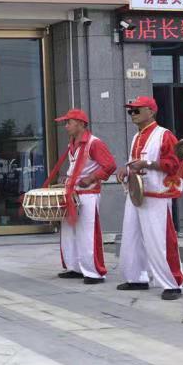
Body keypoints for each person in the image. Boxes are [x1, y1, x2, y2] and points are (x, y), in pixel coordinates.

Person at [116, 96, 183, 300]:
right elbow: (135, 162)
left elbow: (175, 164)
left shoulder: (164, 135)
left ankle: (172, 283)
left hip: (157, 194)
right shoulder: (136, 136)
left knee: (161, 241)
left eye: (137, 110)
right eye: (130, 111)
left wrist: (147, 164)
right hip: (136, 192)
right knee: (131, 237)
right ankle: (136, 278)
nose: (132, 114)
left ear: (151, 111)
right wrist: (126, 169)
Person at [42, 109, 116, 284]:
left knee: (87, 233)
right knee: (69, 232)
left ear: (81, 124)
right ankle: (75, 268)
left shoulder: (94, 143)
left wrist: (91, 178)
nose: (65, 126)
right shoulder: (72, 143)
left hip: (88, 194)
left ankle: (94, 273)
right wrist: (67, 178)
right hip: (72, 192)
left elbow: (110, 166)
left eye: (68, 122)